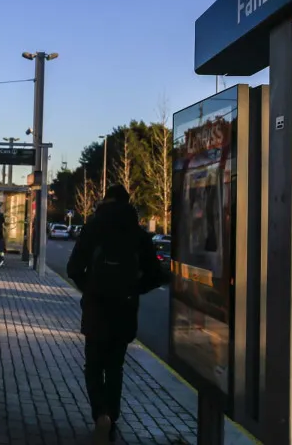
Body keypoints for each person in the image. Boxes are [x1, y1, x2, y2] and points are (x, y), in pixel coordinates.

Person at [66, 185, 167, 444]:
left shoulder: (93, 228)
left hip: (96, 308)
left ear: (105, 200)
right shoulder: (139, 234)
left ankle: (100, 414)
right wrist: (132, 289)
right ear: (127, 202)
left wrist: (90, 288)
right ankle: (112, 417)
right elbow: (157, 276)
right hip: (124, 308)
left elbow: (74, 268)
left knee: (93, 365)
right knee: (114, 367)